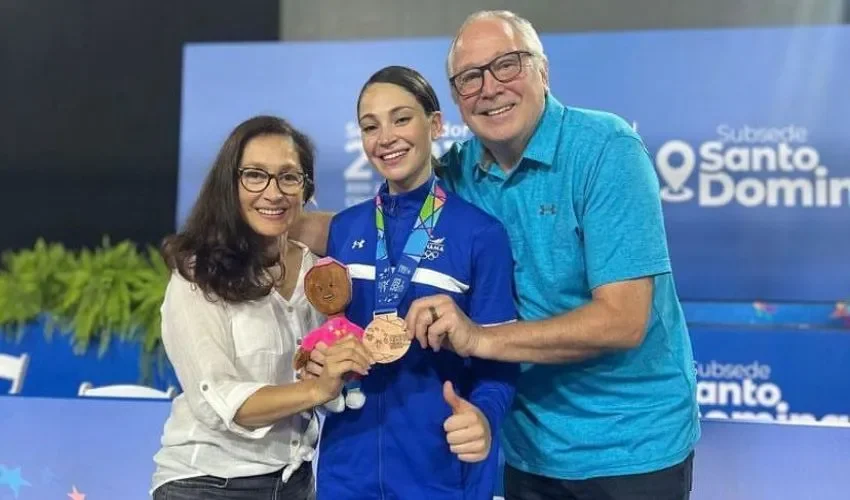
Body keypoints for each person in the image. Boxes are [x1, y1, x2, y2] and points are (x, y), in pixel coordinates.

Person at [293, 10, 699, 500]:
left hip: (629, 446)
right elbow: (368, 218)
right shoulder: (459, 172)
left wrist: (478, 338)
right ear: (456, 100)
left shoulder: (605, 150)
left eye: (507, 65)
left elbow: (624, 321)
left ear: (542, 70)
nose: (489, 87)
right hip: (523, 447)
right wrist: (258, 221)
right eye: (469, 77)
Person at [302, 66, 519, 500]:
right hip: (346, 473)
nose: (385, 137)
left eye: (401, 119)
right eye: (370, 126)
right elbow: (327, 333)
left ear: (435, 124)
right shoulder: (344, 231)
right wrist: (316, 360)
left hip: (442, 473)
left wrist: (483, 417)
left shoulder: (480, 234)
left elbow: (500, 358)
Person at [150, 115, 373, 500]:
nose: (273, 193)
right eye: (255, 175)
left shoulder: (317, 271)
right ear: (230, 185)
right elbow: (219, 401)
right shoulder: (196, 275)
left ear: (307, 190)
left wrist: (340, 370)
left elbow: (329, 367)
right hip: (206, 483)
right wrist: (319, 389)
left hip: (295, 482)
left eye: (289, 177)